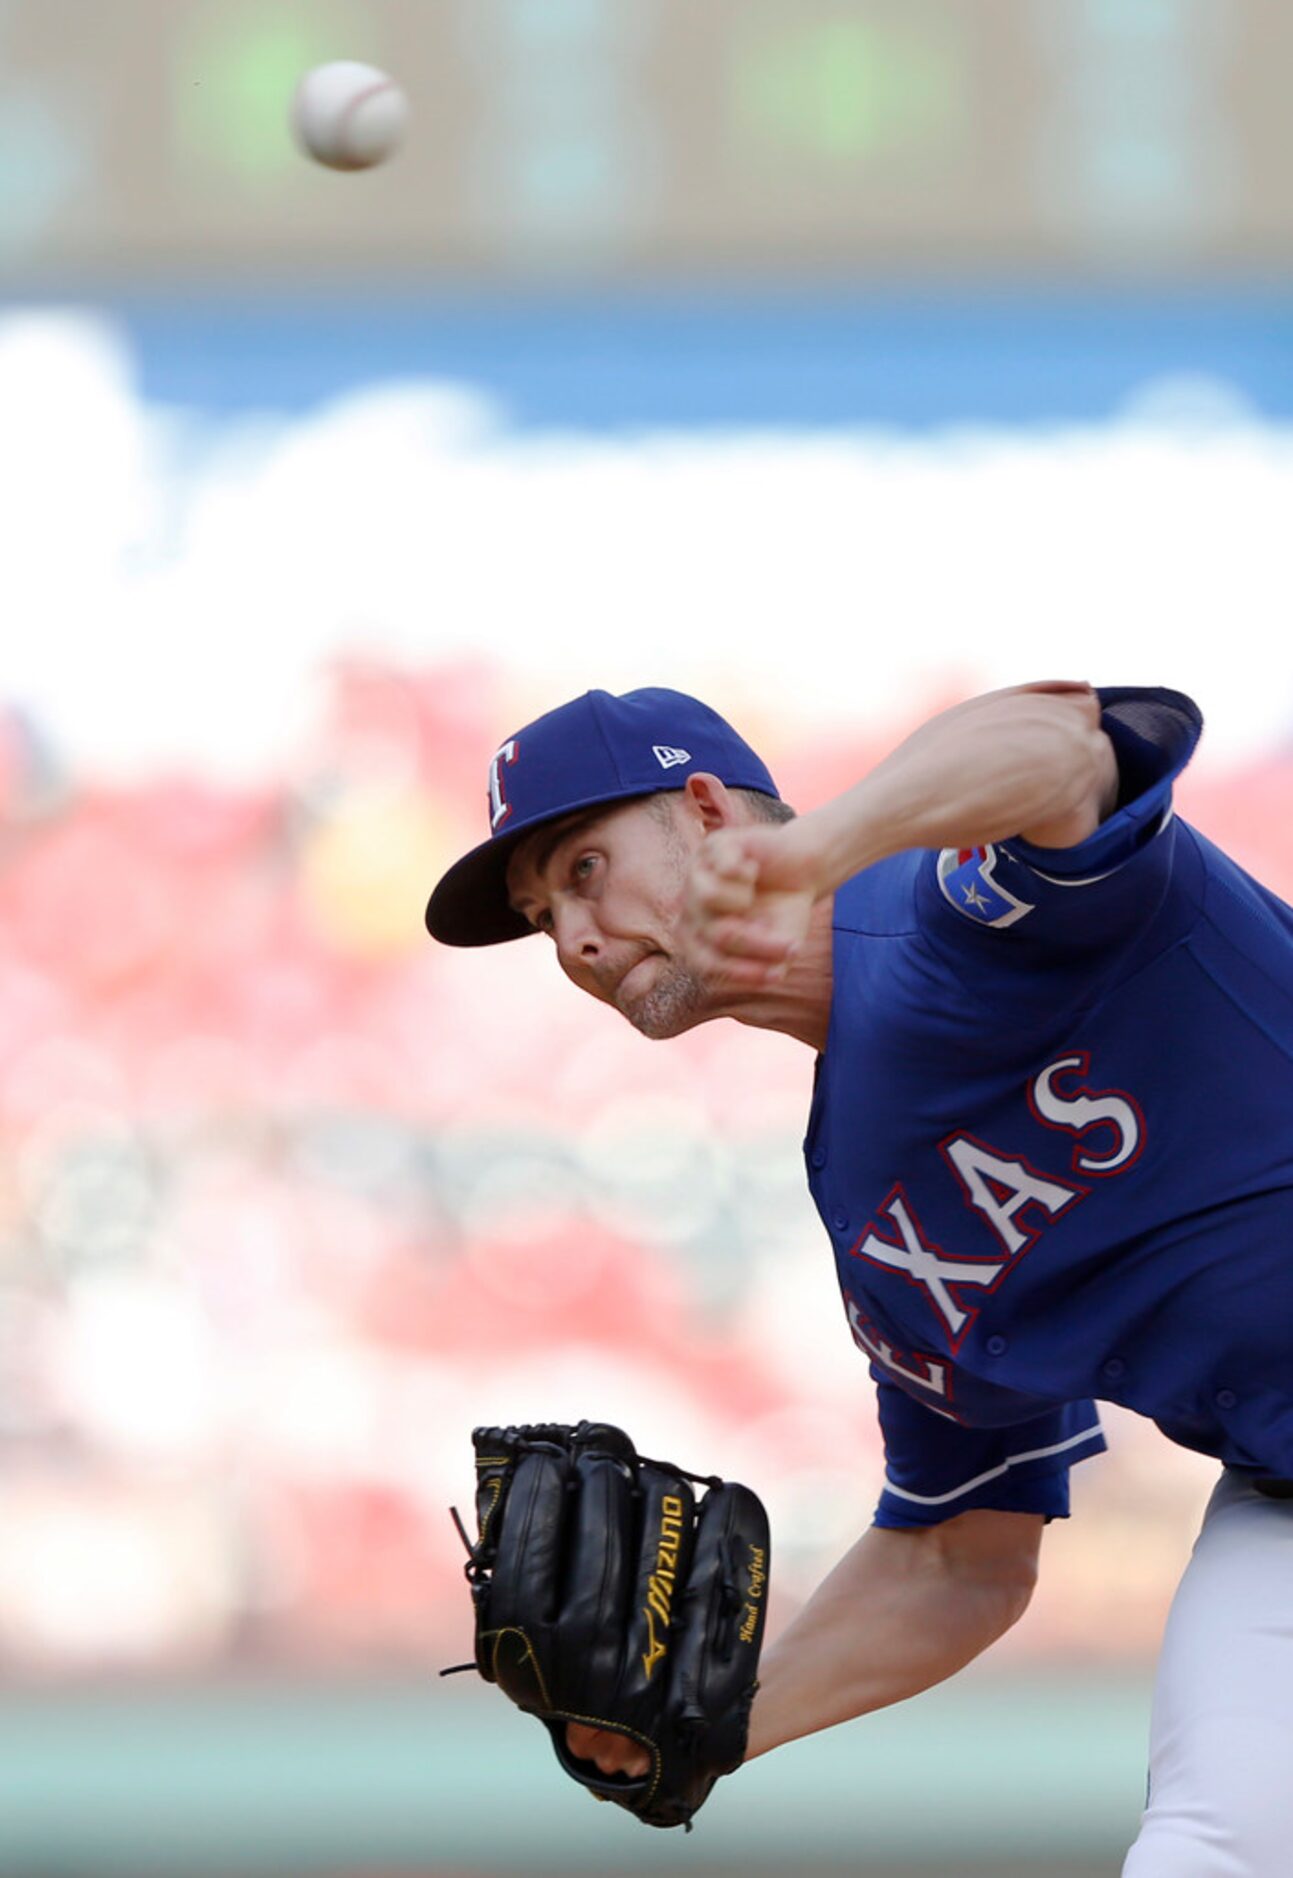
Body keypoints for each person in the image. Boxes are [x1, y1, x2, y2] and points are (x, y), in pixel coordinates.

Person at [426, 679, 1293, 1876]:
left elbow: (1061, 740)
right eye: (541, 919)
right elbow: (960, 1554)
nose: (571, 938)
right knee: (1209, 1856)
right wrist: (697, 1732)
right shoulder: (868, 1205)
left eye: (582, 868)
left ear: (711, 811)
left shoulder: (958, 899)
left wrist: (827, 846)